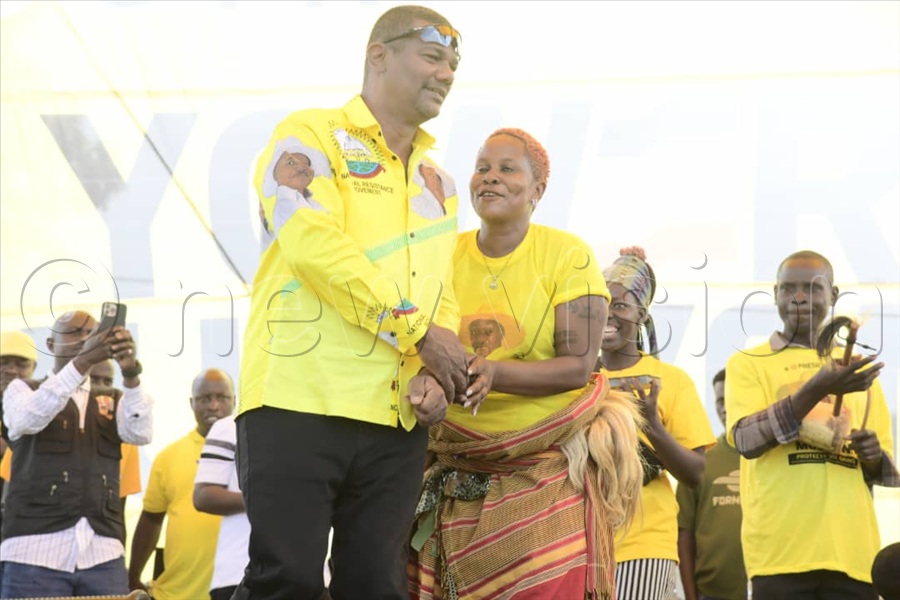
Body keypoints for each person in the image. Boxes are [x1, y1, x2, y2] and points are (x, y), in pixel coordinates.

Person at [235, 5, 469, 599]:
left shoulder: (438, 183)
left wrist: (436, 373)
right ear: (379, 55)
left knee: (377, 585)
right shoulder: (311, 135)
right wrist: (417, 332)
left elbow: (443, 291)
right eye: (433, 56)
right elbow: (316, 247)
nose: (446, 73)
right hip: (297, 399)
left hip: (396, 417)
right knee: (285, 578)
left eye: (454, 64)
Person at [407, 127, 644, 599]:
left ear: (538, 190)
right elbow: (420, 344)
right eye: (481, 168)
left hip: (544, 474)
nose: (489, 178)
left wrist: (494, 374)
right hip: (454, 462)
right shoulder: (442, 254)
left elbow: (577, 366)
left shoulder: (566, 254)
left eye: (506, 169)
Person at [725, 250, 897, 599]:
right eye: (789, 288)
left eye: (812, 288)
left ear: (832, 296)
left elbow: (888, 473)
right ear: (775, 294)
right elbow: (746, 440)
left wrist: (873, 456)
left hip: (854, 554)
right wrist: (817, 387)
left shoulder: (857, 369)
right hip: (779, 554)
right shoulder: (749, 362)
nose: (799, 297)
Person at [0, 310, 151, 597]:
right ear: (50, 343)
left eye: (92, 333)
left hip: (102, 554)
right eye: (75, 332)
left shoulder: (113, 396)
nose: (85, 338)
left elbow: (140, 433)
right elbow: (25, 420)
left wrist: (130, 373)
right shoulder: (22, 389)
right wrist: (83, 362)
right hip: (33, 553)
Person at [595, 247, 716, 600]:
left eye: (621, 305)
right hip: (579, 545)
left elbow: (696, 474)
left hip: (642, 545)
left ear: (642, 314)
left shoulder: (669, 380)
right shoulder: (575, 377)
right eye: (602, 301)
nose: (609, 313)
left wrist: (651, 425)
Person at [128, 368, 234, 599]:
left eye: (222, 397)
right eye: (205, 399)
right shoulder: (169, 456)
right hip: (178, 593)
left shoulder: (252, 452)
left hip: (237, 588)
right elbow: (151, 519)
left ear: (234, 401)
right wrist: (134, 575)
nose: (213, 406)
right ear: (191, 403)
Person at [1, 359, 143, 524]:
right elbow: (8, 497)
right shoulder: (37, 423)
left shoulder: (124, 437)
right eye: (94, 379)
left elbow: (118, 508)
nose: (101, 387)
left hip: (97, 539)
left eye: (108, 381)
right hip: (37, 532)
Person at [676, 368, 747, 600]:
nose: (726, 408)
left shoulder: (772, 457)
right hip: (712, 593)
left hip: (772, 587)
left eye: (732, 398)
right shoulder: (700, 460)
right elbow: (684, 534)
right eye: (720, 401)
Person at [193, 414, 249, 600]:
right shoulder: (230, 426)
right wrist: (267, 501)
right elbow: (203, 496)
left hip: (311, 574)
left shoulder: (315, 426)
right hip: (241, 573)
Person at [0, 330, 39, 535]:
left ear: (35, 368)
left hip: (26, 521)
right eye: (4, 362)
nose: (11, 370)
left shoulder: (43, 408)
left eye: (21, 364)